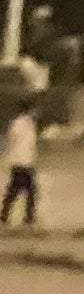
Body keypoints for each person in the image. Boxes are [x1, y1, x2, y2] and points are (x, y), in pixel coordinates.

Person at [1, 95, 40, 227]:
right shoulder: (19, 124)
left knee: (19, 191)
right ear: (28, 110)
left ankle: (8, 215)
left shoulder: (29, 124)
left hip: (25, 162)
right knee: (24, 191)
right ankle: (26, 217)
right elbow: (12, 140)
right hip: (21, 162)